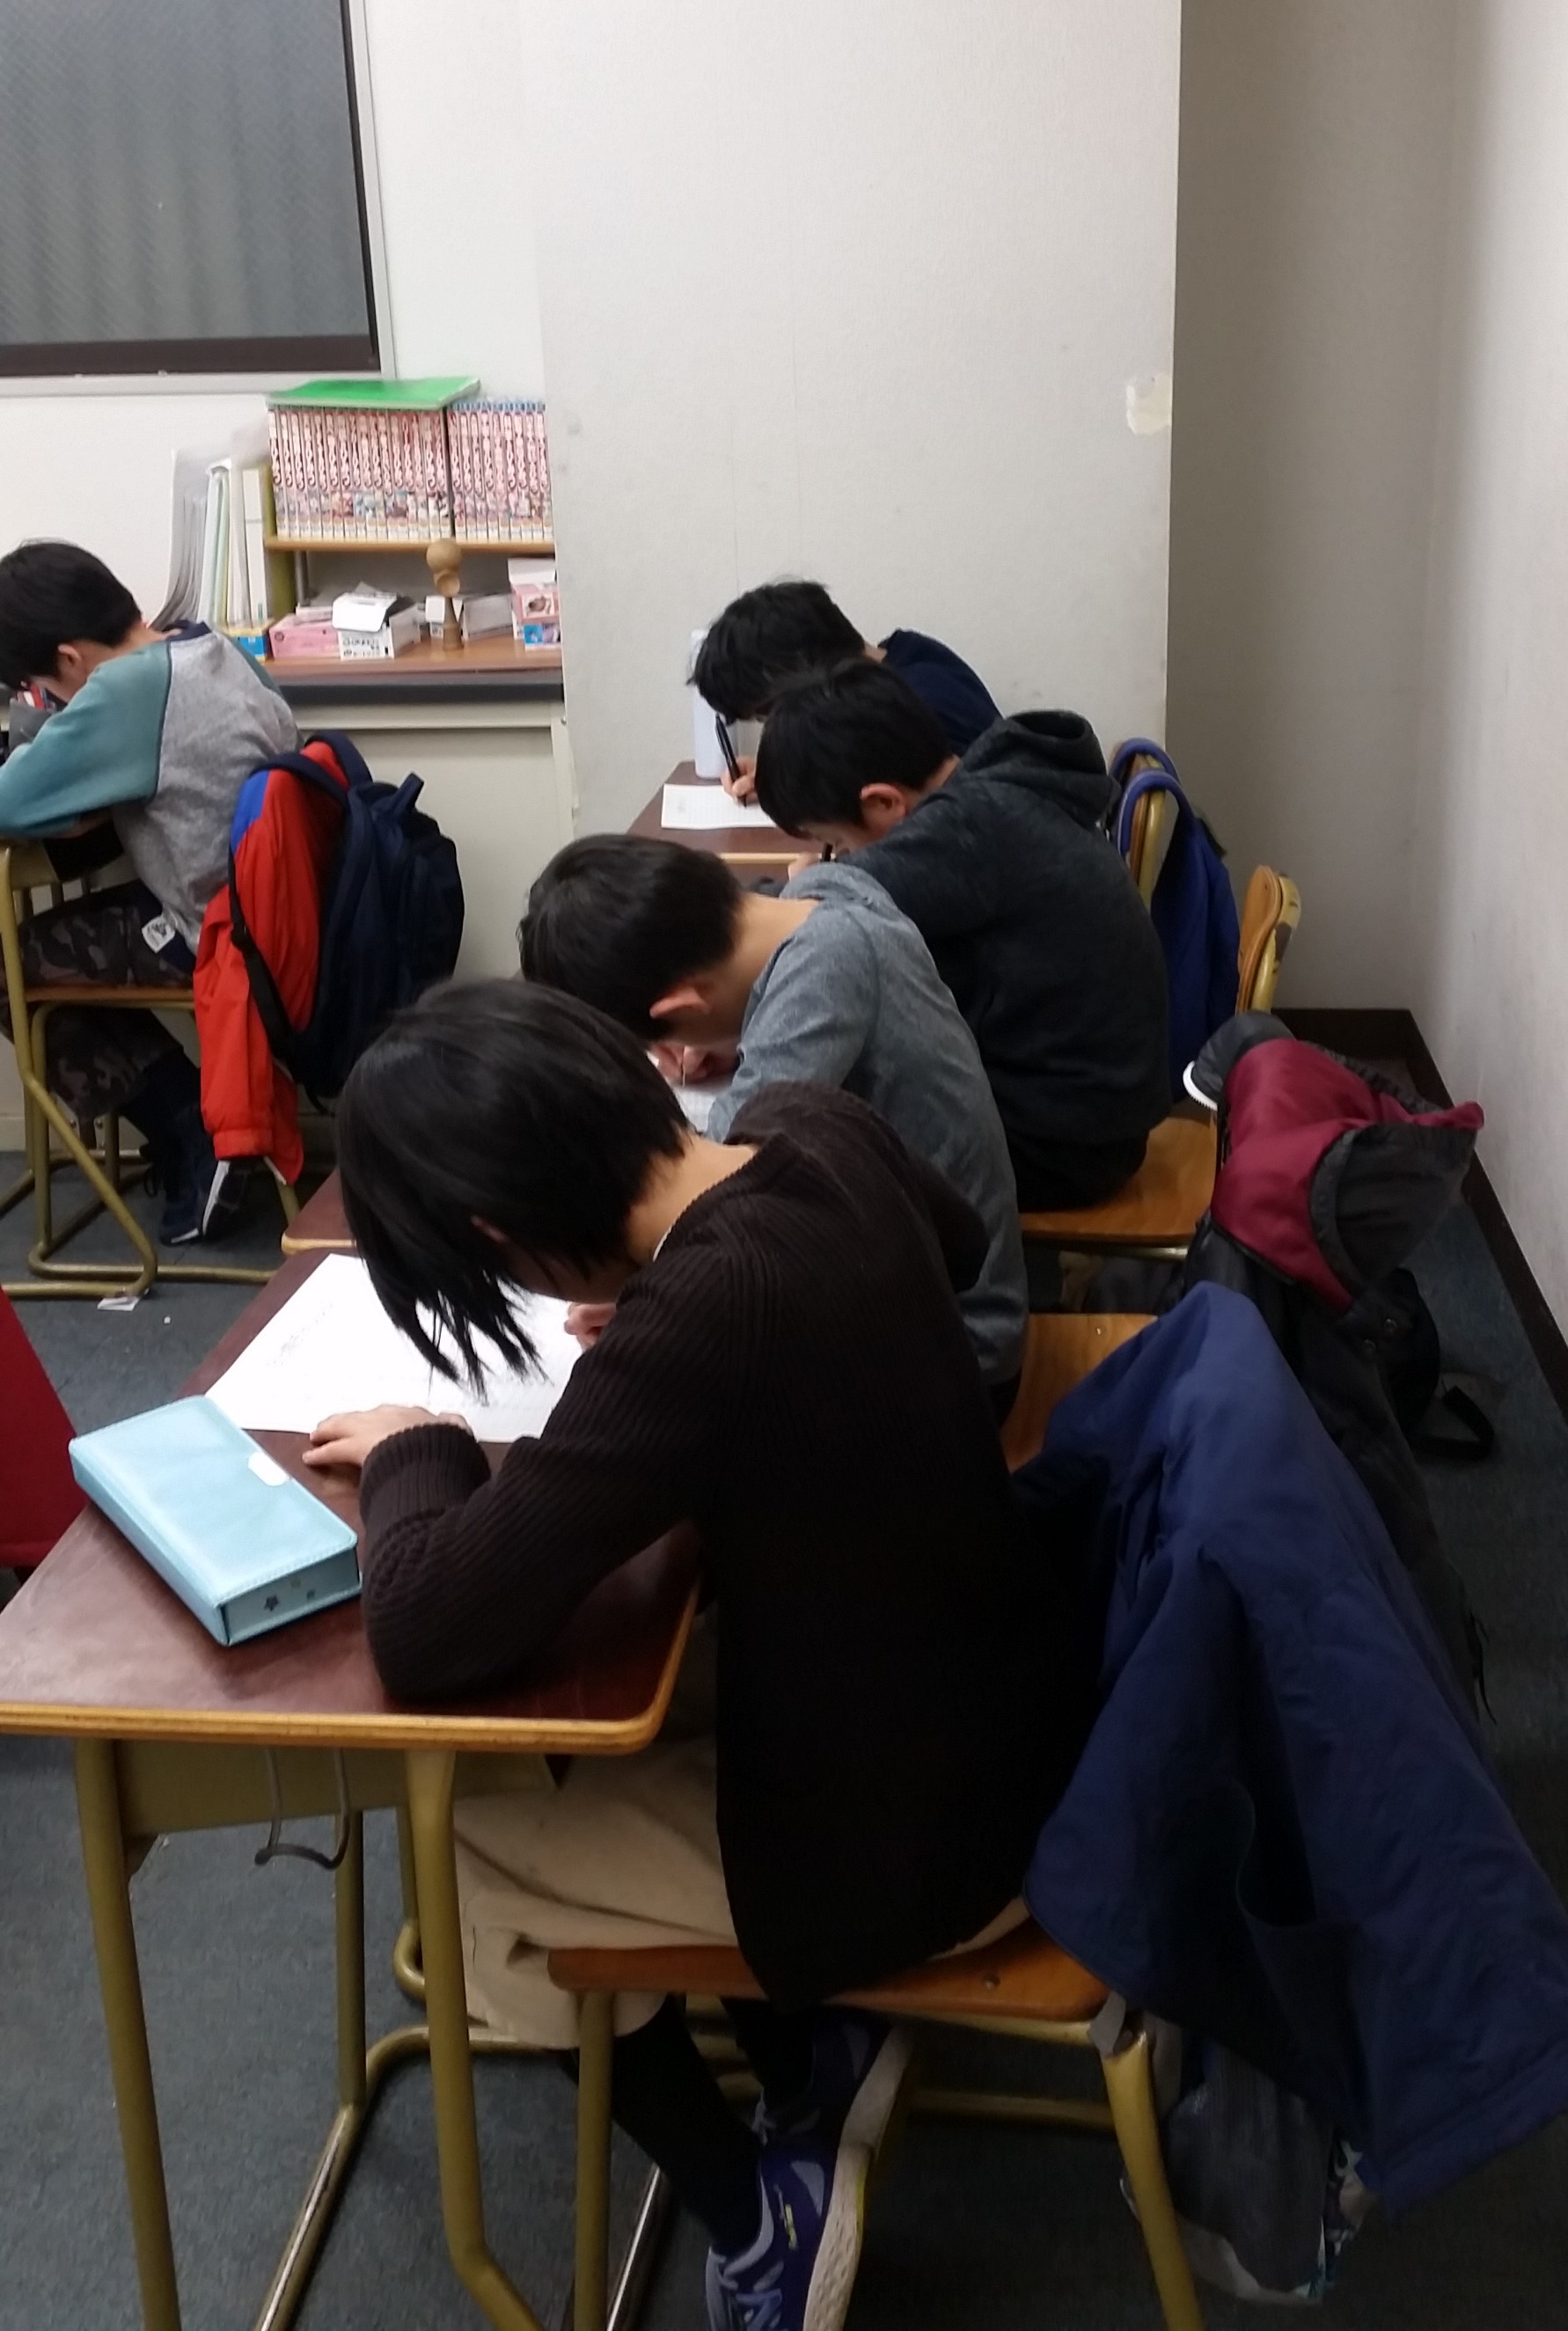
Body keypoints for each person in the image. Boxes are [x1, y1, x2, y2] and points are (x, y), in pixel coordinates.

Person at [303, 980, 1092, 2331]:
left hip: (926, 1843)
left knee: (470, 1857)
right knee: (588, 1739)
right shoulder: (805, 1123)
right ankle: (810, 2051)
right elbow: (955, 1240)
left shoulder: (706, 1311)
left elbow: (426, 1624)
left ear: (499, 1235)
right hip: (999, 1698)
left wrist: (416, 1448)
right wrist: (685, 1334)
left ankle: (761, 2214)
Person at [519, 834, 1029, 1408]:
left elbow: (708, 1191)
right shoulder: (826, 892)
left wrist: (644, 1297)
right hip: (919, 1283)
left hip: (960, 1357)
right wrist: (738, 1036)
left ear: (682, 1005)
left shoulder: (825, 971)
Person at [753, 659, 1171, 1209]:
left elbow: (808, 923)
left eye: (837, 843)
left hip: (1062, 1146)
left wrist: (801, 891)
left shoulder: (966, 831)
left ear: (883, 803)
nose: (840, 858)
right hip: (1097, 1113)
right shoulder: (996, 788)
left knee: (812, 1156)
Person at [0, 540, 297, 1240]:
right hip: (270, 915)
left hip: (212, 935)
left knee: (5, 968)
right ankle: (202, 1121)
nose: (51, 703)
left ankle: (194, 1127)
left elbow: (9, 801)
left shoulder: (125, 691)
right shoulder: (213, 647)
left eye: (44, 688)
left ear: (68, 659)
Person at [692, 578, 1000, 798]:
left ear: (808, 675)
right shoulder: (907, 656)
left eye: (768, 714)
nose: (779, 726)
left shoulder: (912, 709)